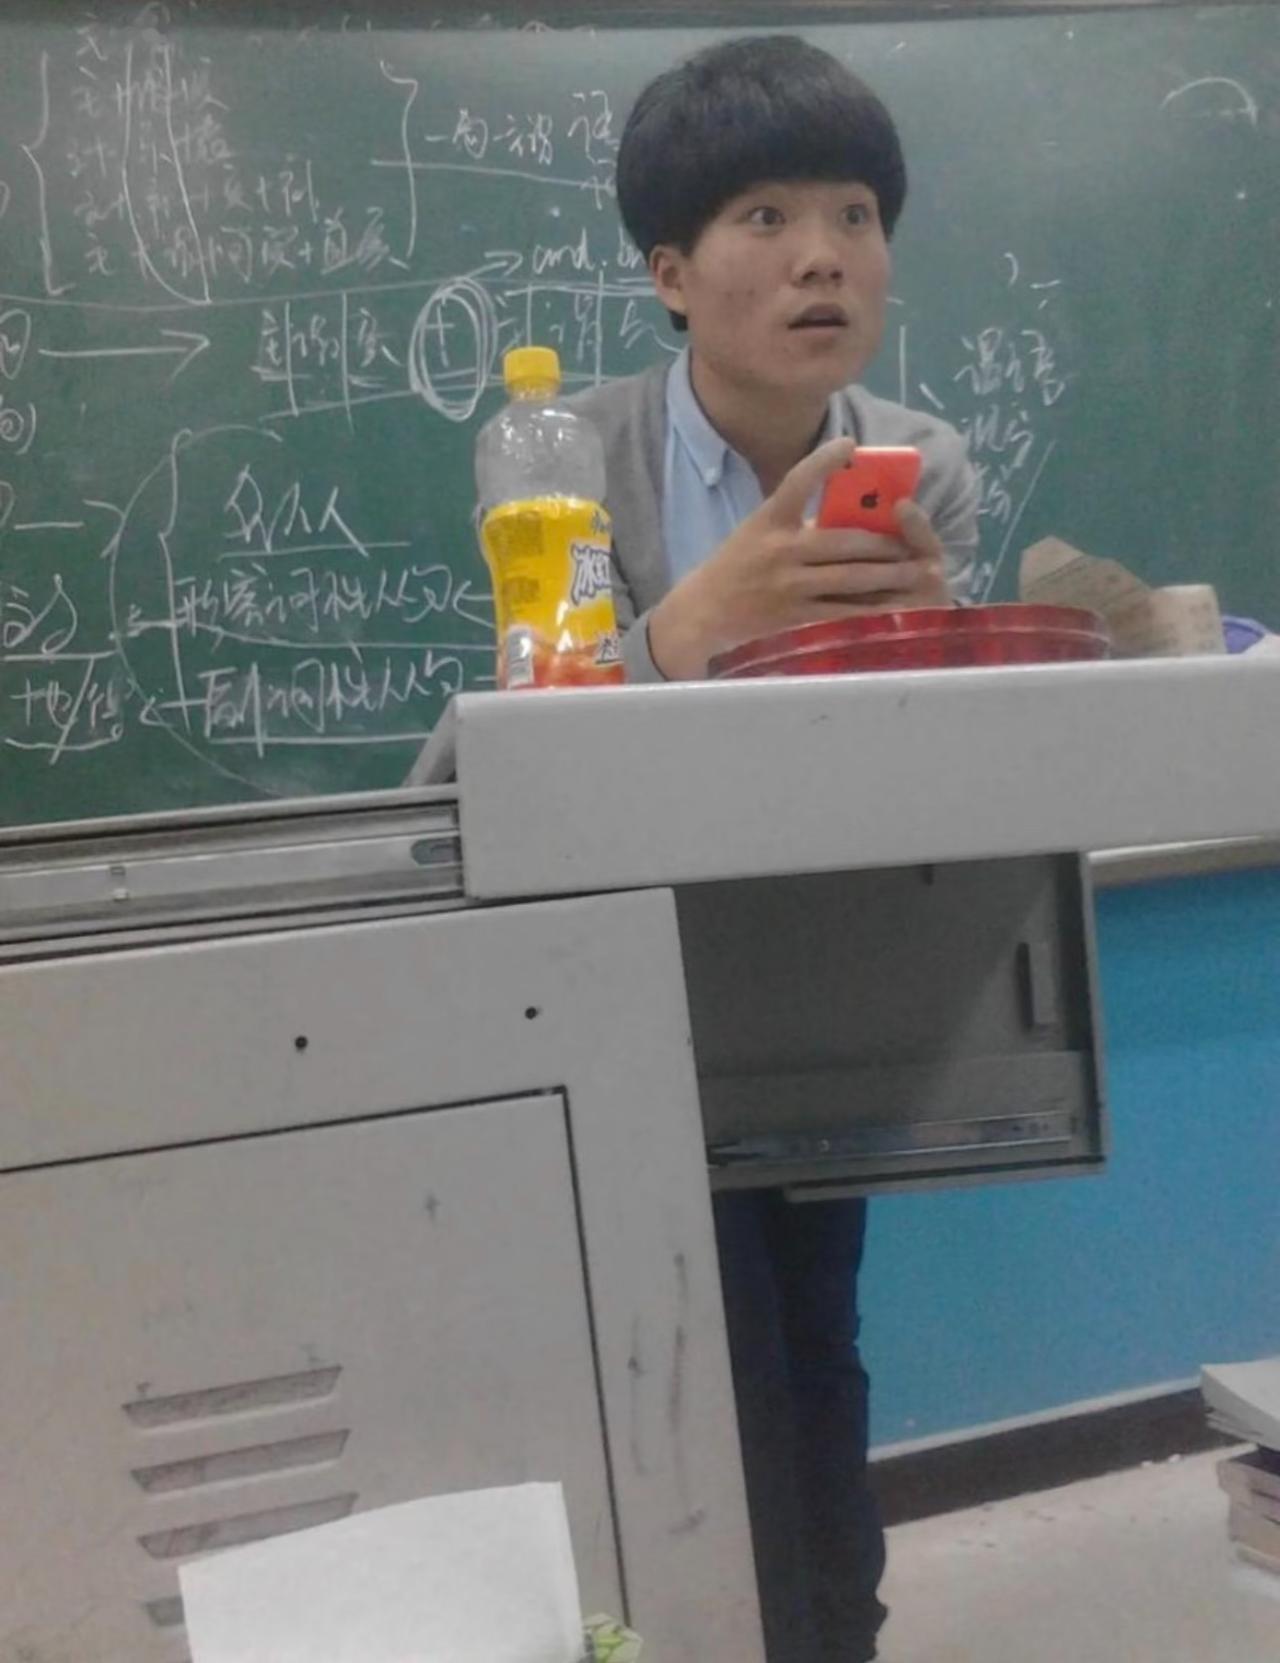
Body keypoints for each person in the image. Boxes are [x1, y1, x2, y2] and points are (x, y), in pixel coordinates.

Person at [562, 35, 980, 1663]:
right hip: (617, 976)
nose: (824, 257)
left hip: (820, 974)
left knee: (816, 1338)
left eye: (856, 215)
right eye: (766, 217)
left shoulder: (917, 461)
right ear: (669, 274)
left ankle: (831, 1636)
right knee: (689, 1349)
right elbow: (512, 753)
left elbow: (927, 777)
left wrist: (940, 657)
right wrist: (681, 633)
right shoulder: (565, 462)